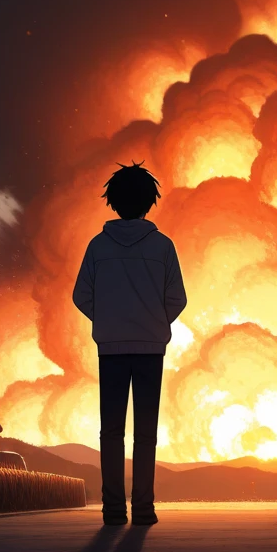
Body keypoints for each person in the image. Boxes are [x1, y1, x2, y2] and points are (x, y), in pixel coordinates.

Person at [72, 161, 187, 526]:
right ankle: (143, 509)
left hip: (111, 347)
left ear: (114, 201)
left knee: (111, 431)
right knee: (145, 432)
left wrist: (108, 318)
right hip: (151, 347)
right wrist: (152, 320)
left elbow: (80, 295)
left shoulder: (97, 246)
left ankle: (112, 509)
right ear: (149, 202)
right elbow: (177, 298)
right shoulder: (163, 246)